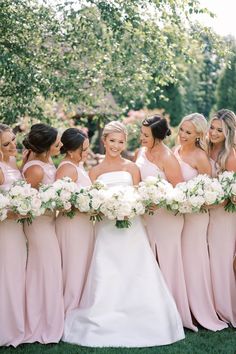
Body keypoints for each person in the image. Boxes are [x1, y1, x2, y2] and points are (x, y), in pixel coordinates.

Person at [63, 121, 185, 347]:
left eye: (121, 142)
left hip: (132, 227)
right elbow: (93, 203)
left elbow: (139, 195)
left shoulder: (131, 168)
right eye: (112, 141)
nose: (116, 146)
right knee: (107, 270)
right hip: (106, 229)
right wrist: (107, 208)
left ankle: (146, 317)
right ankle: (103, 316)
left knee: (136, 269)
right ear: (104, 141)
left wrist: (132, 207)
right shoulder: (95, 171)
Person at [135, 115, 197, 331]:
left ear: (158, 137)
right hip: (146, 217)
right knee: (149, 263)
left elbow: (179, 190)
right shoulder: (140, 152)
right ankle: (151, 310)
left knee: (167, 264)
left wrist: (158, 198)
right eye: (141, 134)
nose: (141, 138)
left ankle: (173, 313)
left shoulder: (168, 158)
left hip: (167, 218)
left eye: (145, 135)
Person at [174, 113, 227, 331]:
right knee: (180, 262)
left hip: (196, 216)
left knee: (194, 260)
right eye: (181, 130)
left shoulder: (199, 156)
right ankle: (182, 308)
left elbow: (210, 189)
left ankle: (200, 310)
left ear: (198, 134)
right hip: (176, 215)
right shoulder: (175, 152)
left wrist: (196, 202)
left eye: (189, 132)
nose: (183, 135)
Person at [22, 123, 64, 343]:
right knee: (45, 271)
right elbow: (25, 202)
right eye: (57, 142)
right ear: (48, 145)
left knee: (49, 270)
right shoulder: (35, 169)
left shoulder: (46, 162)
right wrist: (54, 199)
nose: (60, 145)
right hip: (38, 225)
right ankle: (41, 324)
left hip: (49, 223)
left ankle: (49, 318)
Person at [56, 128, 94, 315]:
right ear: (71, 150)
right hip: (72, 226)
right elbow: (62, 203)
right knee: (73, 267)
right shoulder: (67, 169)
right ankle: (68, 309)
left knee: (80, 266)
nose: (87, 152)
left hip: (82, 225)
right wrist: (88, 206)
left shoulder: (76, 165)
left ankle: (76, 306)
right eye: (83, 149)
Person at [207, 109, 236, 327]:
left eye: (220, 130)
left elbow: (232, 193)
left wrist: (215, 202)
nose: (214, 133)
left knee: (221, 260)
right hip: (204, 212)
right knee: (208, 260)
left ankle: (226, 308)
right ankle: (210, 304)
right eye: (213, 127)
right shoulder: (205, 149)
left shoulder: (230, 156)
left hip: (224, 215)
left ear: (229, 133)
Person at [0, 124, 27, 347]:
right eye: (6, 144)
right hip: (5, 228)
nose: (12, 146)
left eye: (13, 140)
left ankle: (16, 324)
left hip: (17, 227)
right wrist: (7, 212)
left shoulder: (12, 164)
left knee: (16, 274)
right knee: (6, 275)